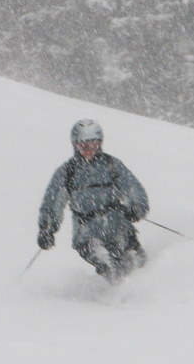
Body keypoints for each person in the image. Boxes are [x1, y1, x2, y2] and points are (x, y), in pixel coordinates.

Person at [37, 119, 150, 283]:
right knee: (109, 267)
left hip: (118, 227)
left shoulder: (112, 165)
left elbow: (133, 188)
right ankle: (120, 299)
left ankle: (148, 296)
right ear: (75, 145)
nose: (89, 150)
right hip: (87, 235)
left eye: (93, 145)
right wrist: (47, 229)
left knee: (137, 264)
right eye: (83, 146)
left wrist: (137, 207)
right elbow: (53, 202)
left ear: (100, 143)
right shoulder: (68, 172)